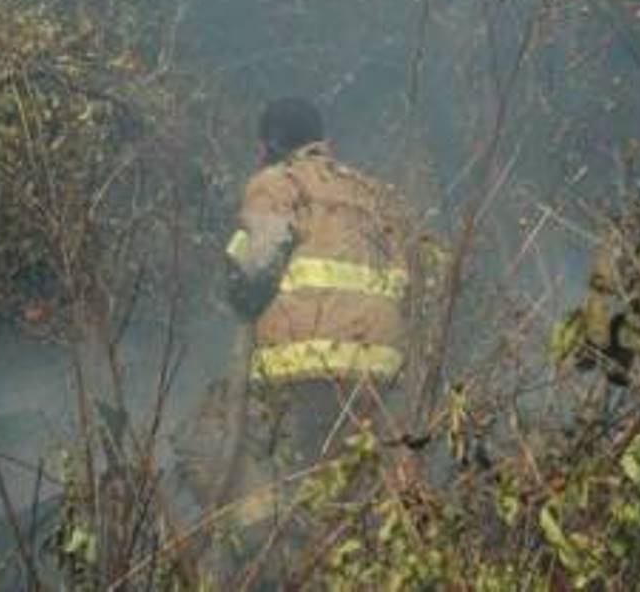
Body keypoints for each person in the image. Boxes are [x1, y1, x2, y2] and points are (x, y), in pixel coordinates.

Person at [174, 97, 445, 579]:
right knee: (345, 496)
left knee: (202, 437)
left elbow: (252, 271)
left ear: (267, 148)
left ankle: (272, 550)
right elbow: (419, 285)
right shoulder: (377, 196)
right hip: (379, 382)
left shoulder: (278, 185)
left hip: (301, 371)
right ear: (326, 144)